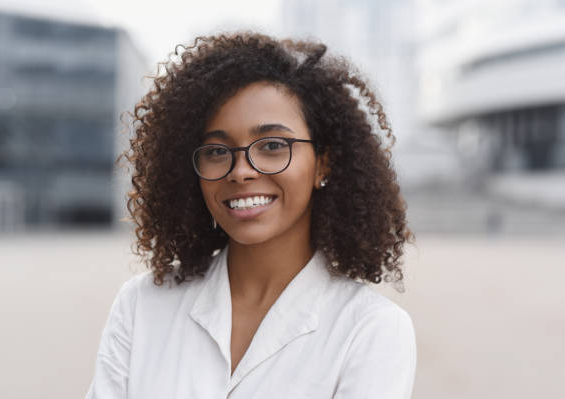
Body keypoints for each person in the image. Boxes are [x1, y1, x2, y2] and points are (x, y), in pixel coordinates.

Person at [84, 31, 416, 398]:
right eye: (216, 151)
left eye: (273, 146)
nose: (240, 170)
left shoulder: (371, 330)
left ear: (324, 163)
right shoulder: (141, 306)